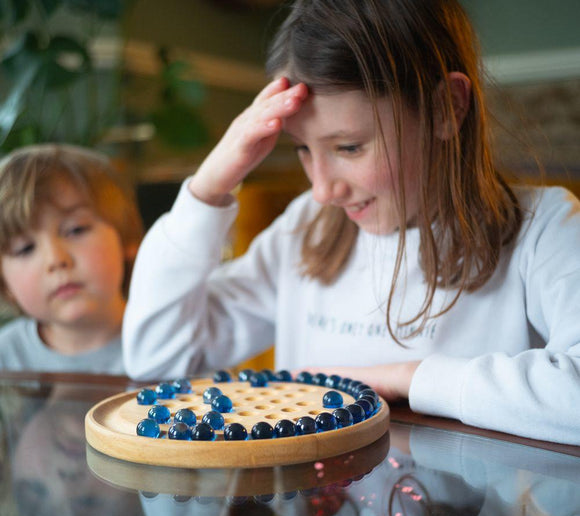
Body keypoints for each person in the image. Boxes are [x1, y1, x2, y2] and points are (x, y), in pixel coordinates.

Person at [123, 0, 580, 444]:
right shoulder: (307, 227)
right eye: (303, 148)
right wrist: (207, 190)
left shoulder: (544, 230)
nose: (323, 191)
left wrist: (407, 379)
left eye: (348, 148)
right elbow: (158, 360)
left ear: (447, 108)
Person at [0, 144, 143, 374]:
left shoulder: (173, 343)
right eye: (25, 248)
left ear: (126, 238)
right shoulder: (5, 357)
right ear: (5, 285)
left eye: (76, 230)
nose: (55, 259)